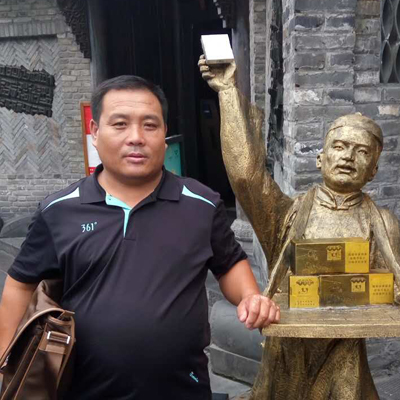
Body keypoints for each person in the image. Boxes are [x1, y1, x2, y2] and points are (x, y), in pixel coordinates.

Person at [0, 75, 279, 399]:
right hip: (84, 390)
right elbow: (20, 284)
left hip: (182, 389)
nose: (136, 138)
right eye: (120, 124)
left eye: (150, 125)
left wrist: (250, 296)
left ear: (164, 134)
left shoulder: (201, 204)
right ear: (95, 132)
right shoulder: (59, 211)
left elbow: (229, 263)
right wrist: (5, 365)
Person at [199, 57, 400, 400]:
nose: (348, 157)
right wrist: (227, 92)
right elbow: (246, 177)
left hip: (344, 357)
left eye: (361, 152)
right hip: (288, 356)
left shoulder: (383, 223)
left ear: (373, 170)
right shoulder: (287, 216)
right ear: (321, 158)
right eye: (339, 147)